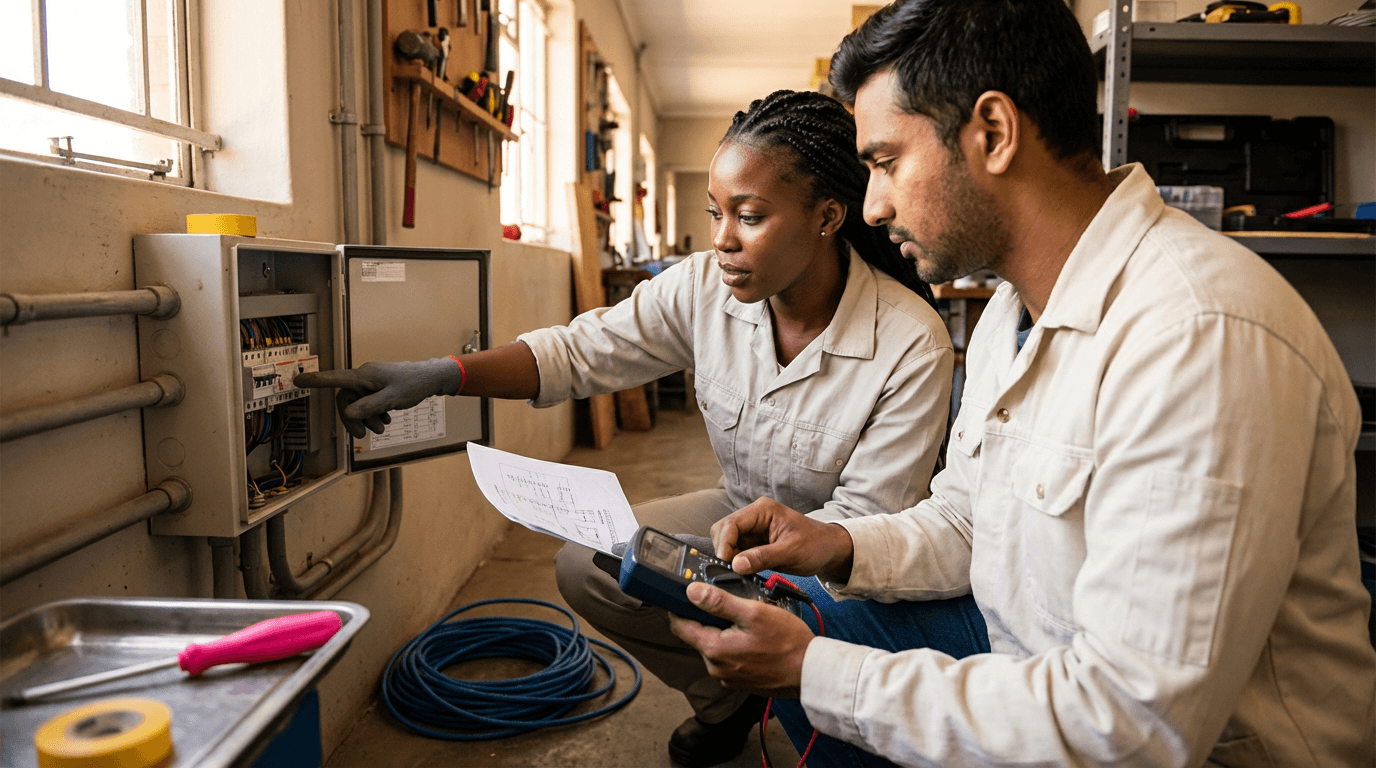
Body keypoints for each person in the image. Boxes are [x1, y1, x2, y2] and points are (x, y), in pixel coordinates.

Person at [667, 2, 1376, 767]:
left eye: (887, 162)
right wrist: (836, 543)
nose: (873, 206)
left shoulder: (1199, 337)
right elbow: (970, 519)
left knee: (819, 671)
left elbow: (1132, 728)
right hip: (1030, 652)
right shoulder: (1012, 311)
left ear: (994, 133)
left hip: (1183, 747)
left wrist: (821, 673)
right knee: (796, 619)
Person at [295, 89, 957, 766]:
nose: (723, 239)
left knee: (773, 633)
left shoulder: (909, 342)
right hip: (738, 514)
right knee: (590, 564)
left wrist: (734, 584)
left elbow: (863, 528)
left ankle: (798, 686)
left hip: (837, 561)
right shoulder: (703, 286)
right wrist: (445, 374)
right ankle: (727, 700)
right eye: (716, 213)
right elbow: (582, 351)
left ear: (827, 216)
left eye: (750, 216)